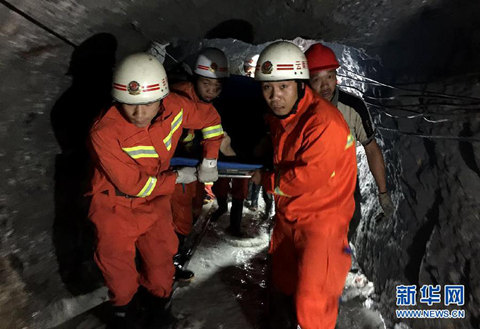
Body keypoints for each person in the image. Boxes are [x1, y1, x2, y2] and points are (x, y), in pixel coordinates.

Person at [87, 53, 222, 329]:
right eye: (130, 104)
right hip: (115, 207)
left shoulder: (175, 107)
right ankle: (128, 318)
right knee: (120, 279)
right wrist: (177, 178)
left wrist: (210, 158)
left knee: (162, 269)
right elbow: (133, 184)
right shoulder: (104, 131)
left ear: (161, 97)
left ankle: (159, 315)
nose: (139, 113)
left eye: (148, 104)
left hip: (155, 203)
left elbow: (210, 119)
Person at [251, 41, 357, 329]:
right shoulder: (282, 117)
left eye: (283, 87)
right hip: (290, 218)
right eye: (268, 88)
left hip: (322, 224)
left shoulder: (323, 123)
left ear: (299, 85)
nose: (274, 96)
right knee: (284, 283)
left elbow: (307, 178)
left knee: (314, 303)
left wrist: (267, 180)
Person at [305, 43, 394, 241]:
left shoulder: (353, 107)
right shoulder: (298, 108)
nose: (325, 85)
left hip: (344, 183)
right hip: (309, 182)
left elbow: (371, 149)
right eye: (317, 79)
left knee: (349, 224)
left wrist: (383, 192)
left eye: (329, 76)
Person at [170, 47, 228, 280]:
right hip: (169, 166)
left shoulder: (207, 107)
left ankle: (173, 258)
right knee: (174, 215)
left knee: (187, 208)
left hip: (185, 164)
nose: (211, 91)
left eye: (217, 87)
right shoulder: (179, 96)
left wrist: (209, 162)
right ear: (195, 79)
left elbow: (212, 130)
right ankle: (169, 263)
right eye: (206, 84)